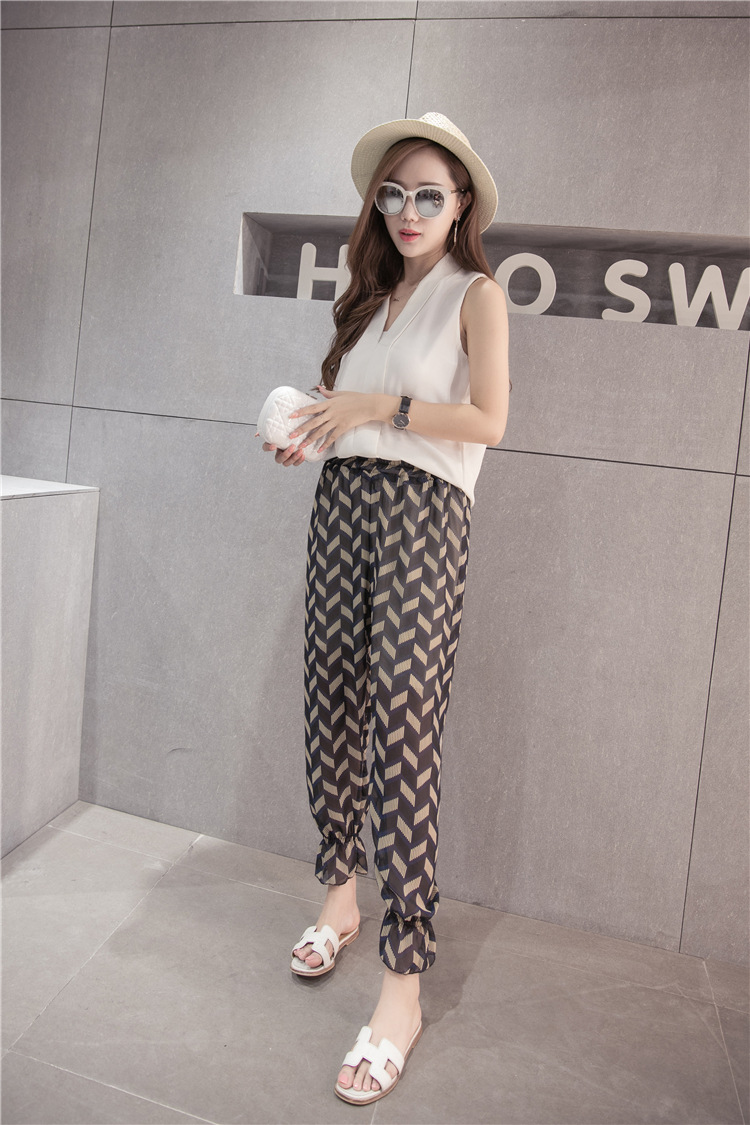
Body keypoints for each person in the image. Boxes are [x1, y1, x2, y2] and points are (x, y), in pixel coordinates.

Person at [262, 111, 510, 1105]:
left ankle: (402, 986)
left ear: (460, 205)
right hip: (343, 505)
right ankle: (340, 897)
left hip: (425, 517)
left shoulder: (476, 293)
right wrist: (310, 432)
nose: (409, 210)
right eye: (395, 193)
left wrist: (378, 409)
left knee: (403, 725)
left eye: (430, 194)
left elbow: (490, 419)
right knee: (331, 702)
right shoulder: (367, 300)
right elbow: (345, 415)